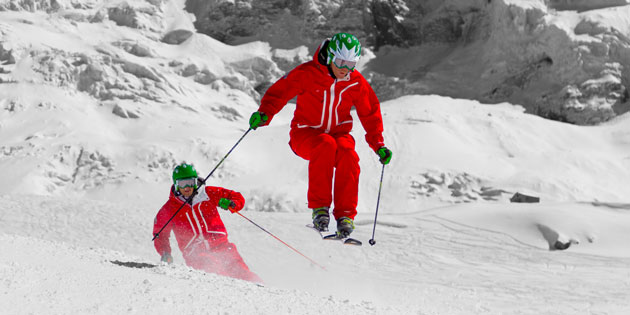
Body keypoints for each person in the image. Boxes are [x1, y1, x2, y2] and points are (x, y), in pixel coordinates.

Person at [248, 32, 392, 238]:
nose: (345, 69)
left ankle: (345, 216)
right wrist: (264, 114)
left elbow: (370, 113)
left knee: (348, 154)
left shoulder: (355, 82)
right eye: (341, 62)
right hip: (305, 134)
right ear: (332, 56)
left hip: (339, 134)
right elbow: (280, 91)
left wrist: (378, 145)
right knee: (325, 144)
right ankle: (320, 210)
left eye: (351, 63)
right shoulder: (308, 73)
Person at [153, 163, 261, 283]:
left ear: (196, 181)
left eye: (191, 182)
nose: (187, 187)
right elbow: (160, 234)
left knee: (242, 272)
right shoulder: (170, 208)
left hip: (222, 246)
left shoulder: (207, 194)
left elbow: (236, 197)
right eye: (182, 184)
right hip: (195, 253)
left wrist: (231, 203)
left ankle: (262, 290)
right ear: (176, 185)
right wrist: (165, 252)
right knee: (213, 268)